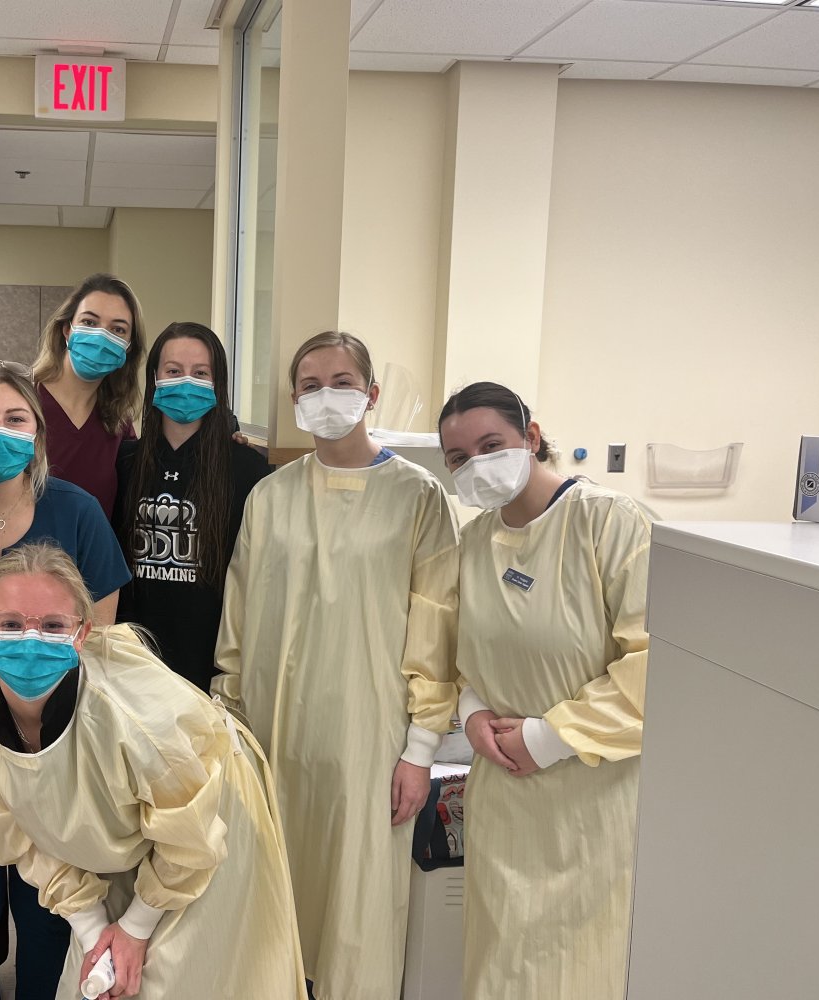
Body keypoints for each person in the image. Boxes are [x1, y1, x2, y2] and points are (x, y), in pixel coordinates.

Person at [212, 331, 460, 1000]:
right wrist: (228, 723)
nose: (327, 395)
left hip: (367, 739)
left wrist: (420, 748)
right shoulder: (270, 497)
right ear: (294, 400)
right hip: (274, 733)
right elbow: (238, 618)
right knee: (273, 899)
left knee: (357, 910)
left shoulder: (419, 498)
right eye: (311, 384)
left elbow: (437, 627)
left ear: (371, 394)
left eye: (343, 381)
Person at [0, 543, 308, 1000]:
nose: (30, 641)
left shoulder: (138, 723)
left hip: (207, 826)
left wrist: (135, 929)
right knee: (98, 978)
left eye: (53, 626)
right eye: (11, 625)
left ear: (81, 633)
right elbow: (24, 842)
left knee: (183, 979)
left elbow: (189, 841)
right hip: (121, 835)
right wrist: (93, 927)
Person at [438, 382, 650, 1000]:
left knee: (578, 969)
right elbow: (466, 655)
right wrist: (473, 713)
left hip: (590, 798)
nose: (475, 464)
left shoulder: (609, 524)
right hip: (503, 793)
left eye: (491, 445)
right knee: (497, 964)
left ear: (531, 438)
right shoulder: (474, 542)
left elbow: (652, 663)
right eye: (458, 458)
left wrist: (550, 737)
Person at [0, 363, 131, 1000]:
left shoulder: (77, 513)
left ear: (38, 436)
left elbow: (94, 650)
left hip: (56, 753)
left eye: (15, 419)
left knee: (50, 917)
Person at [113, 321, 271, 692]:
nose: (187, 381)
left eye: (201, 373)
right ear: (154, 378)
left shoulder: (248, 469)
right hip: (132, 666)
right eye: (173, 371)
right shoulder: (123, 464)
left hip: (213, 671)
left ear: (218, 384)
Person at [32, 273, 145, 515]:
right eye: (89, 323)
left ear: (128, 346)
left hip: (94, 552)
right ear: (66, 329)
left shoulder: (118, 422)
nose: (102, 336)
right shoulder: (22, 401)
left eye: (118, 329)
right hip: (23, 553)